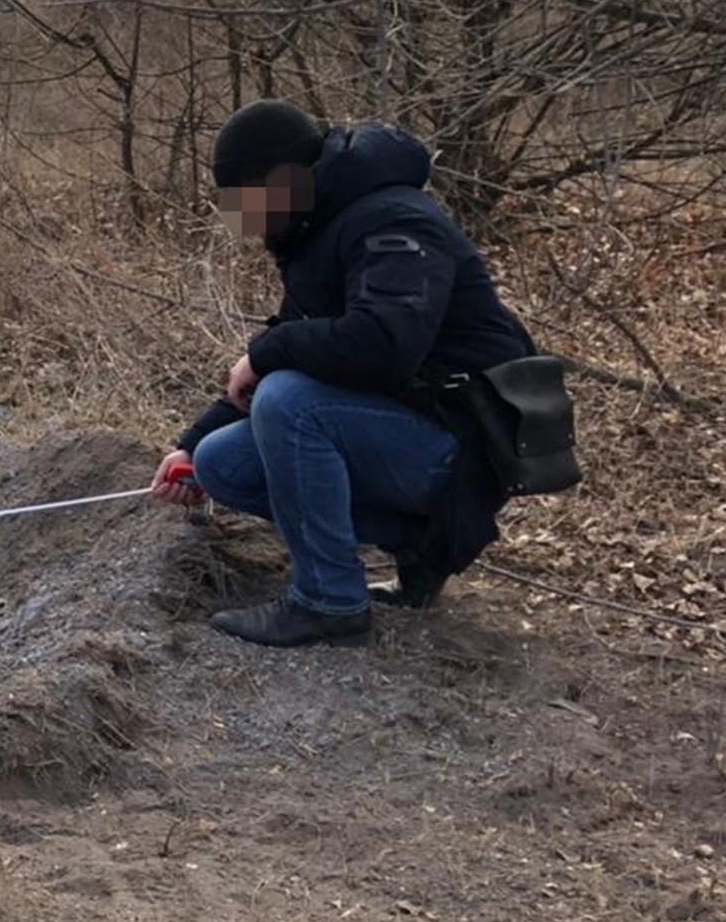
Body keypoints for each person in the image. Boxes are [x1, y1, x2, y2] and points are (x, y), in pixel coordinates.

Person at [150, 99, 535, 647]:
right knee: (222, 462)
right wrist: (190, 443)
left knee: (288, 401)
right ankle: (420, 548)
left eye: (244, 199)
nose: (240, 217)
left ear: (283, 181)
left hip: (467, 442)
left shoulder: (395, 221)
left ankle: (328, 600)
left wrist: (266, 352)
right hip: (407, 425)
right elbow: (296, 346)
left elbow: (383, 346)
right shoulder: (318, 230)